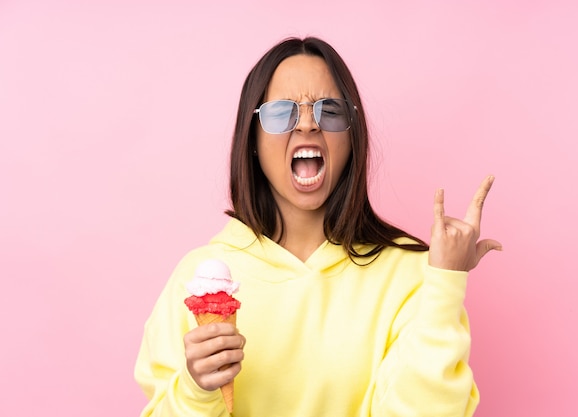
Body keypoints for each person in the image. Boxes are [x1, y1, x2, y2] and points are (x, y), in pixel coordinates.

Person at [134, 36, 501, 417]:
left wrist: (445, 285)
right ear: (253, 139)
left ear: (351, 136)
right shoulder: (196, 279)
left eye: (329, 111)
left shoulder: (413, 274)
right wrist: (196, 390)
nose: (308, 124)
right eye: (281, 113)